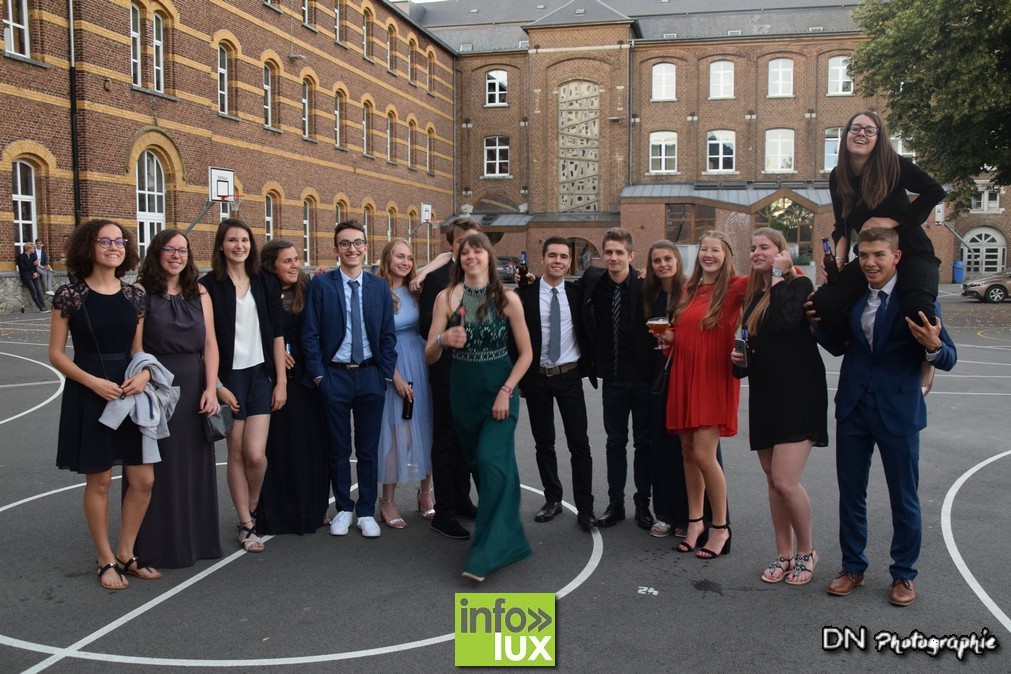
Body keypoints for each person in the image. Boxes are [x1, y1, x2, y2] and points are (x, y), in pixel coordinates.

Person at [812, 228, 956, 607]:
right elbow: (841, 346)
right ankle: (852, 567)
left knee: (903, 498)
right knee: (851, 495)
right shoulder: (855, 296)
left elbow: (948, 356)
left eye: (878, 255)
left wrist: (933, 348)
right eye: (864, 256)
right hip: (854, 409)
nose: (870, 262)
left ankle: (904, 575)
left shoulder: (917, 302)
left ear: (896, 257)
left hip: (898, 411)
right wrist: (816, 323)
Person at [49, 219, 160, 589]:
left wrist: (144, 374)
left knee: (143, 479)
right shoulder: (70, 294)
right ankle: (105, 559)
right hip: (89, 391)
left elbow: (137, 349)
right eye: (105, 241)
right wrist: (91, 381)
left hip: (130, 392)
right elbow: (56, 354)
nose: (115, 246)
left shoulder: (135, 296)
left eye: (120, 241)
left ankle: (126, 553)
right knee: (99, 481)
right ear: (88, 247)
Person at [424, 231, 533, 581]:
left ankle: (483, 555)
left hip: (499, 390)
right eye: (465, 252)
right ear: (458, 257)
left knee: (491, 462)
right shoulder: (446, 297)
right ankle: (509, 539)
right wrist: (443, 338)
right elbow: (430, 353)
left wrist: (506, 390)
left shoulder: (506, 298)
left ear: (488, 256)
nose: (471, 257)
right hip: (463, 393)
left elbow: (527, 354)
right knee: (484, 468)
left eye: (477, 251)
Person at [731, 228, 828, 584]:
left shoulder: (798, 285)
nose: (756, 252)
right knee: (773, 480)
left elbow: (788, 319)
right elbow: (753, 346)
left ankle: (807, 552)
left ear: (782, 253)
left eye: (765, 248)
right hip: (766, 395)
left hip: (799, 394)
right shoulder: (753, 298)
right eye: (753, 248)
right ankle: (782, 553)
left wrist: (779, 274)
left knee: (787, 481)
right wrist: (738, 357)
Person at [130, 229, 223, 568]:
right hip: (156, 388)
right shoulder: (139, 293)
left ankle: (195, 542)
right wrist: (148, 377)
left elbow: (210, 344)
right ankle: (155, 547)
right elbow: (136, 347)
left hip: (194, 388)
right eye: (169, 249)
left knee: (193, 468)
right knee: (157, 469)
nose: (176, 256)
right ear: (156, 253)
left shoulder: (199, 291)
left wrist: (211, 388)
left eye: (182, 250)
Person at [811, 111, 945, 335]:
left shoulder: (892, 165)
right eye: (856, 128)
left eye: (869, 130)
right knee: (821, 304)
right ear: (846, 135)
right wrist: (839, 260)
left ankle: (929, 361)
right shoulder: (838, 176)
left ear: (878, 138)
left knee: (918, 311)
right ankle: (858, 344)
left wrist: (891, 221)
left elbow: (934, 191)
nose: (861, 134)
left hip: (912, 250)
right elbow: (841, 225)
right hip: (871, 255)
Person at [302, 221, 397, 539]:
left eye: (358, 243)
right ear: (335, 249)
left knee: (369, 449)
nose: (352, 249)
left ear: (366, 246)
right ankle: (344, 507)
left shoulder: (379, 286)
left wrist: (385, 373)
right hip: (334, 377)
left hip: (371, 376)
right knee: (339, 448)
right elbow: (310, 334)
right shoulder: (322, 285)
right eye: (345, 244)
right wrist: (319, 376)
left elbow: (387, 335)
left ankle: (366, 511)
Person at [200, 218, 286, 553]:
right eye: (232, 240)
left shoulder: (264, 282)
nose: (240, 245)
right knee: (235, 452)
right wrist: (218, 384)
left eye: (245, 240)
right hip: (230, 379)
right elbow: (206, 341)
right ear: (222, 245)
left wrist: (280, 382)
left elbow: (278, 335)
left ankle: (250, 505)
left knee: (256, 454)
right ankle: (245, 522)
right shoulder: (209, 286)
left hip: (259, 377)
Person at [665, 230, 748, 559]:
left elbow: (791, 276)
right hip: (684, 375)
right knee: (687, 453)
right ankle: (695, 521)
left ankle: (721, 527)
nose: (708, 255)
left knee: (703, 455)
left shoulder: (736, 286)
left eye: (715, 250)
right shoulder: (688, 288)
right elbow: (686, 329)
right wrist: (669, 337)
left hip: (712, 378)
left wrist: (780, 264)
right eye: (704, 250)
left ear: (726, 254)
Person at [642, 240, 727, 540]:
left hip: (692, 375)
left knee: (703, 453)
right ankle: (678, 516)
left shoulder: (691, 290)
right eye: (656, 260)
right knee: (675, 450)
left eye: (668, 258)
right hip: (664, 375)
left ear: (678, 260)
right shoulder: (650, 291)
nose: (662, 264)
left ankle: (713, 521)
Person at [512, 236, 597, 531]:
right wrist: (522, 378)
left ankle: (585, 507)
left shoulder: (577, 292)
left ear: (569, 261)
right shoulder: (526, 294)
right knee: (544, 442)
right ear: (543, 258)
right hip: (538, 378)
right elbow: (514, 339)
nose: (558, 261)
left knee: (579, 444)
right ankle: (553, 498)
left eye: (563, 256)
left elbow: (601, 273)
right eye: (552, 256)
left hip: (570, 376)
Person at [578, 228, 655, 528]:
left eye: (619, 253)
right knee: (614, 443)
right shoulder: (593, 281)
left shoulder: (647, 285)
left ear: (631, 256)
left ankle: (643, 504)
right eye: (608, 252)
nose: (613, 257)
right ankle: (616, 503)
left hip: (644, 379)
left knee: (644, 444)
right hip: (612, 378)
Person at [256, 239, 330, 535]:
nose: (294, 265)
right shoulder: (261, 290)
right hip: (275, 377)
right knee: (280, 446)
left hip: (305, 375)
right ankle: (279, 512)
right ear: (271, 264)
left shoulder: (308, 286)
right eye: (287, 261)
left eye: (296, 259)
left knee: (310, 444)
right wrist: (273, 350)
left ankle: (313, 509)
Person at [418, 218, 482, 540]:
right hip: (446, 373)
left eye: (474, 240)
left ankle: (461, 500)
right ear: (450, 245)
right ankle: (442, 513)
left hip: (476, 375)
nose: (468, 247)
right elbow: (427, 330)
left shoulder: (484, 277)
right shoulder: (436, 280)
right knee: (445, 444)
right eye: (461, 242)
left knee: (466, 443)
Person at [375, 238, 435, 528]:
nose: (406, 263)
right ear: (387, 258)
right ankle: (386, 500)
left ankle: (426, 494)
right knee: (398, 438)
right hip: (394, 366)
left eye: (410, 258)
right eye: (400, 256)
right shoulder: (377, 292)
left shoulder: (417, 290)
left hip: (421, 362)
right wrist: (395, 376)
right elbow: (374, 339)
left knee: (426, 429)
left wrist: (422, 272)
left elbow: (450, 254)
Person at [17, 242, 48, 312]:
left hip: (33, 275)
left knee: (38, 290)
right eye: (33, 248)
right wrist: (33, 264)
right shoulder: (21, 257)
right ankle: (40, 307)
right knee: (33, 290)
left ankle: (43, 305)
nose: (34, 249)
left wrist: (35, 272)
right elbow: (23, 268)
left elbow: (34, 266)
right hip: (26, 276)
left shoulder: (33, 256)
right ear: (29, 249)